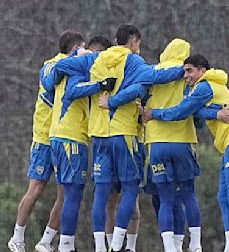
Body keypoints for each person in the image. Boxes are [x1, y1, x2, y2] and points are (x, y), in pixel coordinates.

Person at [43, 24, 185, 252]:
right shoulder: (134, 61)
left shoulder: (97, 59)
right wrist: (184, 70)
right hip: (124, 133)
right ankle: (117, 245)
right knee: (130, 188)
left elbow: (62, 65)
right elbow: (155, 76)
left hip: (98, 135)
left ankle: (100, 246)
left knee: (101, 191)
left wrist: (81, 58)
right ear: (134, 42)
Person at [142, 54, 229, 252]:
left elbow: (182, 111)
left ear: (202, 71)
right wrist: (216, 114)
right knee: (223, 196)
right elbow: (197, 112)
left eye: (189, 71)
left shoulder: (204, 86)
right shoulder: (202, 87)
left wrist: (154, 113)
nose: (185, 75)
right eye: (184, 70)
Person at [8, 30, 86, 252]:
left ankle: (46, 240)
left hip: (61, 136)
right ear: (75, 48)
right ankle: (17, 237)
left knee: (65, 193)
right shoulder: (51, 65)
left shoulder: (76, 68)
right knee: (36, 187)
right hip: (43, 136)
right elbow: (49, 81)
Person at [44, 35, 113, 252]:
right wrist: (99, 85)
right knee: (73, 193)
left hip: (59, 136)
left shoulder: (69, 65)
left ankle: (62, 244)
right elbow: (73, 91)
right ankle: (65, 246)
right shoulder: (80, 66)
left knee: (68, 192)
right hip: (70, 137)